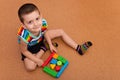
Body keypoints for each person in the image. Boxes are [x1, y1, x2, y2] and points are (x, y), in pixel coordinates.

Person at [17, 3, 92, 71]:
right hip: (31, 47)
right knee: (30, 67)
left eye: (37, 19)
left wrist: (50, 44)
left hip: (41, 37)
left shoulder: (42, 23)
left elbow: (45, 32)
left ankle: (78, 48)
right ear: (24, 25)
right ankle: (43, 48)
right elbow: (24, 51)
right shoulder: (24, 36)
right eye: (30, 22)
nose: (36, 24)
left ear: (41, 16)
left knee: (61, 31)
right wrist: (37, 60)